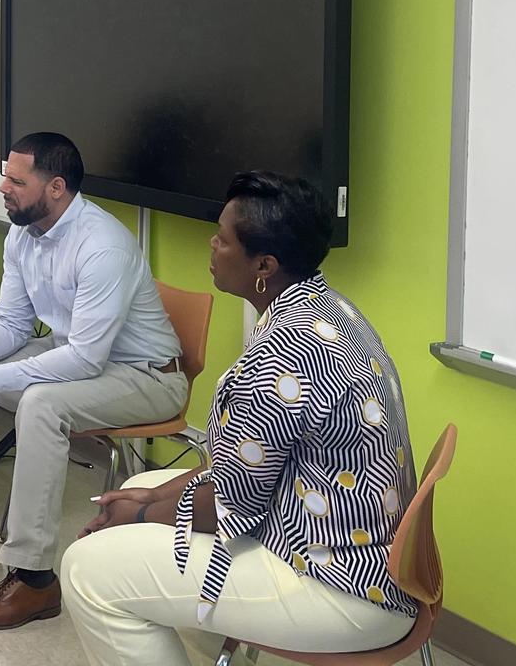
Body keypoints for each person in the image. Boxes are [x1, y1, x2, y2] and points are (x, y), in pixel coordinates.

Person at [59, 172, 417, 666]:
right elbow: (236, 469)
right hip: (360, 551)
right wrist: (152, 496)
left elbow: (231, 505)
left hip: (339, 588)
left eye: (223, 239)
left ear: (263, 266)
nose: (212, 244)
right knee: (153, 480)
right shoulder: (327, 308)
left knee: (86, 569)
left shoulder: (284, 353)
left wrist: (139, 514)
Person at [0, 132, 186, 631]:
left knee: (41, 403)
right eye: (6, 174)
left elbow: (86, 359)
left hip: (146, 375)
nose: (3, 187)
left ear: (57, 188)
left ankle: (34, 577)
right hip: (82, 357)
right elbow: (13, 324)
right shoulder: (23, 232)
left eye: (16, 180)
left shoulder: (102, 245)